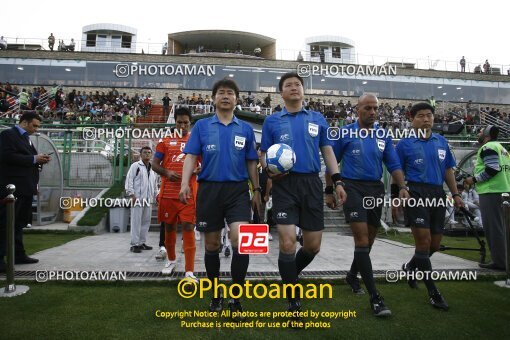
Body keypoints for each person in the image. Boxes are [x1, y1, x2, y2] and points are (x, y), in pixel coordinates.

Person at [260, 72, 346, 314]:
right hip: (284, 184)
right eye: (289, 85)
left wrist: (337, 181)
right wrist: (268, 169)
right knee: (287, 243)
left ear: (303, 90)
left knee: (312, 246)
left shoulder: (317, 118)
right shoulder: (272, 121)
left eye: (298, 84)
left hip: (311, 183)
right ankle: (293, 300)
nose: (294, 87)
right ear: (282, 92)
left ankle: (289, 277)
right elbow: (264, 153)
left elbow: (328, 152)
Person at [179, 78, 261, 319]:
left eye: (230, 93)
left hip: (237, 191)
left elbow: (251, 161)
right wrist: (185, 183)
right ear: (213, 98)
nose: (225, 96)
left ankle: (236, 298)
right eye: (221, 93)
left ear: (237, 99)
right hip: (209, 190)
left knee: (240, 241)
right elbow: (191, 157)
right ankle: (216, 295)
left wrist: (256, 190)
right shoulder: (202, 127)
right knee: (212, 245)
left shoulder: (245, 128)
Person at [326, 93, 409, 317]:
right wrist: (329, 190)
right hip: (352, 188)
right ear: (357, 109)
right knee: (361, 240)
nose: (372, 112)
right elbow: (331, 162)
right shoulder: (345, 132)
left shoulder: (383, 134)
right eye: (368, 108)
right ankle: (376, 297)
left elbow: (393, 164)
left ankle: (352, 275)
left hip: (375, 189)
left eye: (375, 108)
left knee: (369, 242)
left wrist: (402, 186)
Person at [397, 102, 464, 311]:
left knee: (434, 245)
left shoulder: (441, 142)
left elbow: (448, 171)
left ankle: (410, 267)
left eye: (429, 115)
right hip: (415, 193)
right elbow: (395, 171)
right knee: (424, 243)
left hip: (437, 194)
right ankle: (433, 292)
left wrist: (455, 194)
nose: (426, 119)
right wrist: (396, 195)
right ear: (412, 119)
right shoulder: (404, 144)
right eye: (421, 116)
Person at [0, 112, 51, 272]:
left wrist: (38, 160)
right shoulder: (8, 135)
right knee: (5, 224)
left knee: (19, 223)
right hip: (12, 188)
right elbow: (7, 156)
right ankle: (0, 259)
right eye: (34, 125)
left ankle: (18, 254)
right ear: (24, 122)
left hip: (26, 187)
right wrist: (34, 159)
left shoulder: (26, 138)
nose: (36, 129)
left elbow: (27, 159)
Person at [152, 107, 199, 281]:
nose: (182, 125)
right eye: (179, 122)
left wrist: (198, 169)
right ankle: (171, 261)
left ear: (190, 123)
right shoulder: (165, 141)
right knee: (169, 227)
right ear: (175, 122)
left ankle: (189, 271)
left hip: (188, 195)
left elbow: (203, 165)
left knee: (188, 227)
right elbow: (154, 164)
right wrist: (166, 172)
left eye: (186, 122)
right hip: (168, 194)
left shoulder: (196, 141)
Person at [465, 125, 510, 270]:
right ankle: (505, 261)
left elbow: (492, 169)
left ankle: (500, 262)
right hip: (504, 190)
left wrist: (474, 179)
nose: (478, 133)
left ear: (486, 134)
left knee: (494, 228)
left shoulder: (487, 147)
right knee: (503, 228)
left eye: (480, 131)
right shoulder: (503, 149)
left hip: (492, 192)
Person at [125, 146, 158, 253]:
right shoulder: (135, 166)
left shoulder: (153, 169)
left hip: (148, 200)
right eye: (145, 152)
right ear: (141, 154)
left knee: (146, 221)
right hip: (137, 199)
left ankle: (142, 242)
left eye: (149, 152)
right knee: (136, 222)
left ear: (151, 155)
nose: (147, 154)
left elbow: (154, 184)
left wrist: (156, 196)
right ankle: (134, 244)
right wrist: (131, 194)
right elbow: (129, 180)